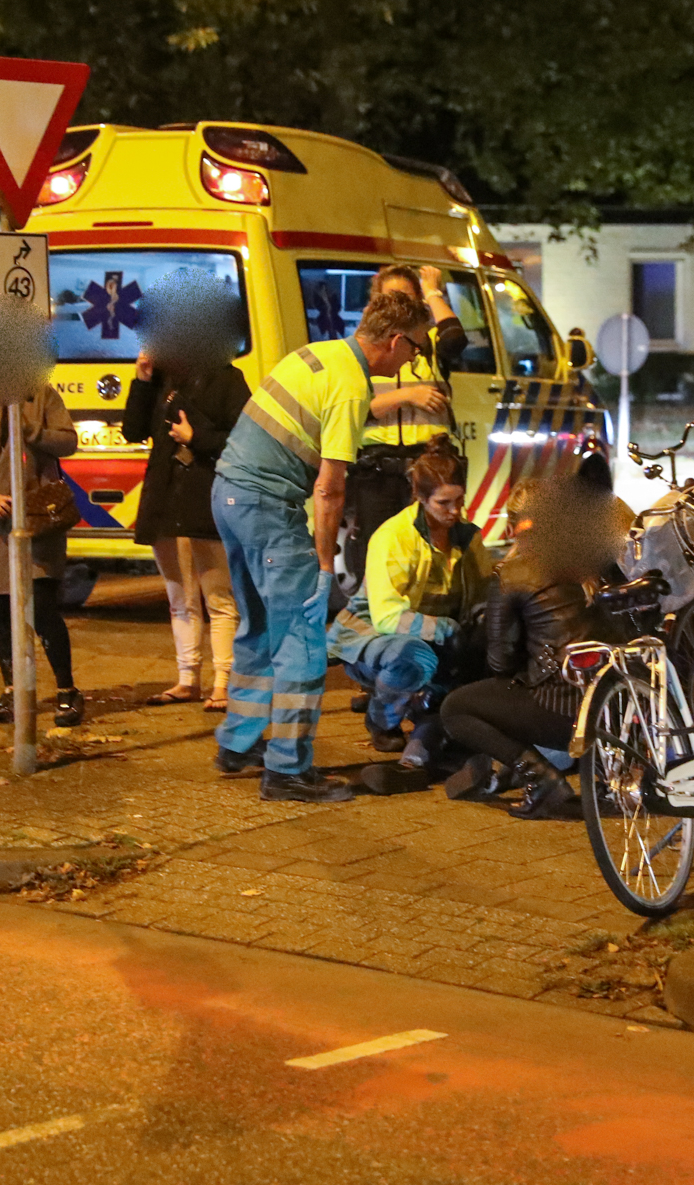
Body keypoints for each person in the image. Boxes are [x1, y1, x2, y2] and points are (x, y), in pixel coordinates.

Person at [210, 288, 434, 802]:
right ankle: (287, 771)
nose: (412, 361)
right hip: (266, 507)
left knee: (258, 626)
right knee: (303, 641)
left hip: (228, 495)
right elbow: (330, 491)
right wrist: (324, 565)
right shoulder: (351, 386)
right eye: (416, 348)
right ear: (395, 341)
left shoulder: (317, 354)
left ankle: (237, 743)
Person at [439, 471, 625, 818]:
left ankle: (541, 780)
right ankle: (606, 773)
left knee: (456, 708)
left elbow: (500, 662)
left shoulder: (513, 572)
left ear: (513, 527)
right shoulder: (599, 557)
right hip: (622, 703)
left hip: (567, 710)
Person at [329, 435, 492, 794]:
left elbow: (483, 595)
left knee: (452, 686)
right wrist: (444, 628)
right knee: (416, 659)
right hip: (375, 638)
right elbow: (388, 618)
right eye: (443, 503)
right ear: (420, 497)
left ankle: (417, 747)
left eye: (460, 501)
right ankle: (381, 720)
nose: (454, 512)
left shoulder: (467, 538)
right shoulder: (394, 537)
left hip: (437, 641)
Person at [123, 347, 251, 708]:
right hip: (164, 500)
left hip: (208, 498)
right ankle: (187, 679)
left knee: (219, 598)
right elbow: (132, 431)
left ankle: (224, 682)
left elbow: (245, 439)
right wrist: (142, 380)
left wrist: (197, 437)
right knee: (180, 598)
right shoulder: (160, 380)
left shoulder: (227, 378)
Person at [0, 384, 83, 727]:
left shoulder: (42, 397)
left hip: (38, 519)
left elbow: (68, 442)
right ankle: (13, 691)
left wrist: (29, 429)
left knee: (42, 609)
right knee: (2, 613)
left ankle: (67, 690)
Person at [345, 265, 469, 592]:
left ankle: (432, 611)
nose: (398, 306)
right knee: (378, 556)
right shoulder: (362, 349)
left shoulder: (429, 344)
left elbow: (456, 338)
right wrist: (406, 396)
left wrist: (433, 292)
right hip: (376, 471)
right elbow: (353, 409)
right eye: (390, 298)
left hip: (427, 469)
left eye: (406, 298)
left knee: (430, 554)